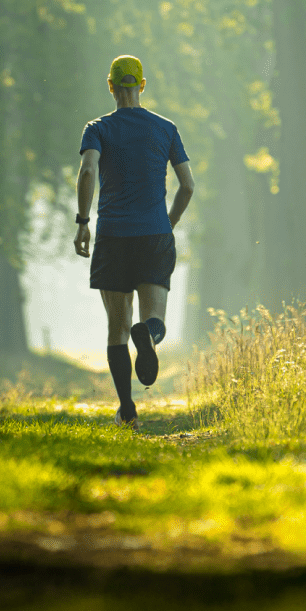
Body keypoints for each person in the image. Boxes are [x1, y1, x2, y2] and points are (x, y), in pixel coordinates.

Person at [75, 55, 195, 429]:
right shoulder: (166, 128)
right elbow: (188, 186)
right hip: (154, 234)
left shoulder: (97, 128)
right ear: (142, 85)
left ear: (110, 87)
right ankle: (151, 335)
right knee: (152, 317)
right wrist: (169, 222)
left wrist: (83, 222)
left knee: (117, 326)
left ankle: (127, 409)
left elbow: (89, 169)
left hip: (113, 236)